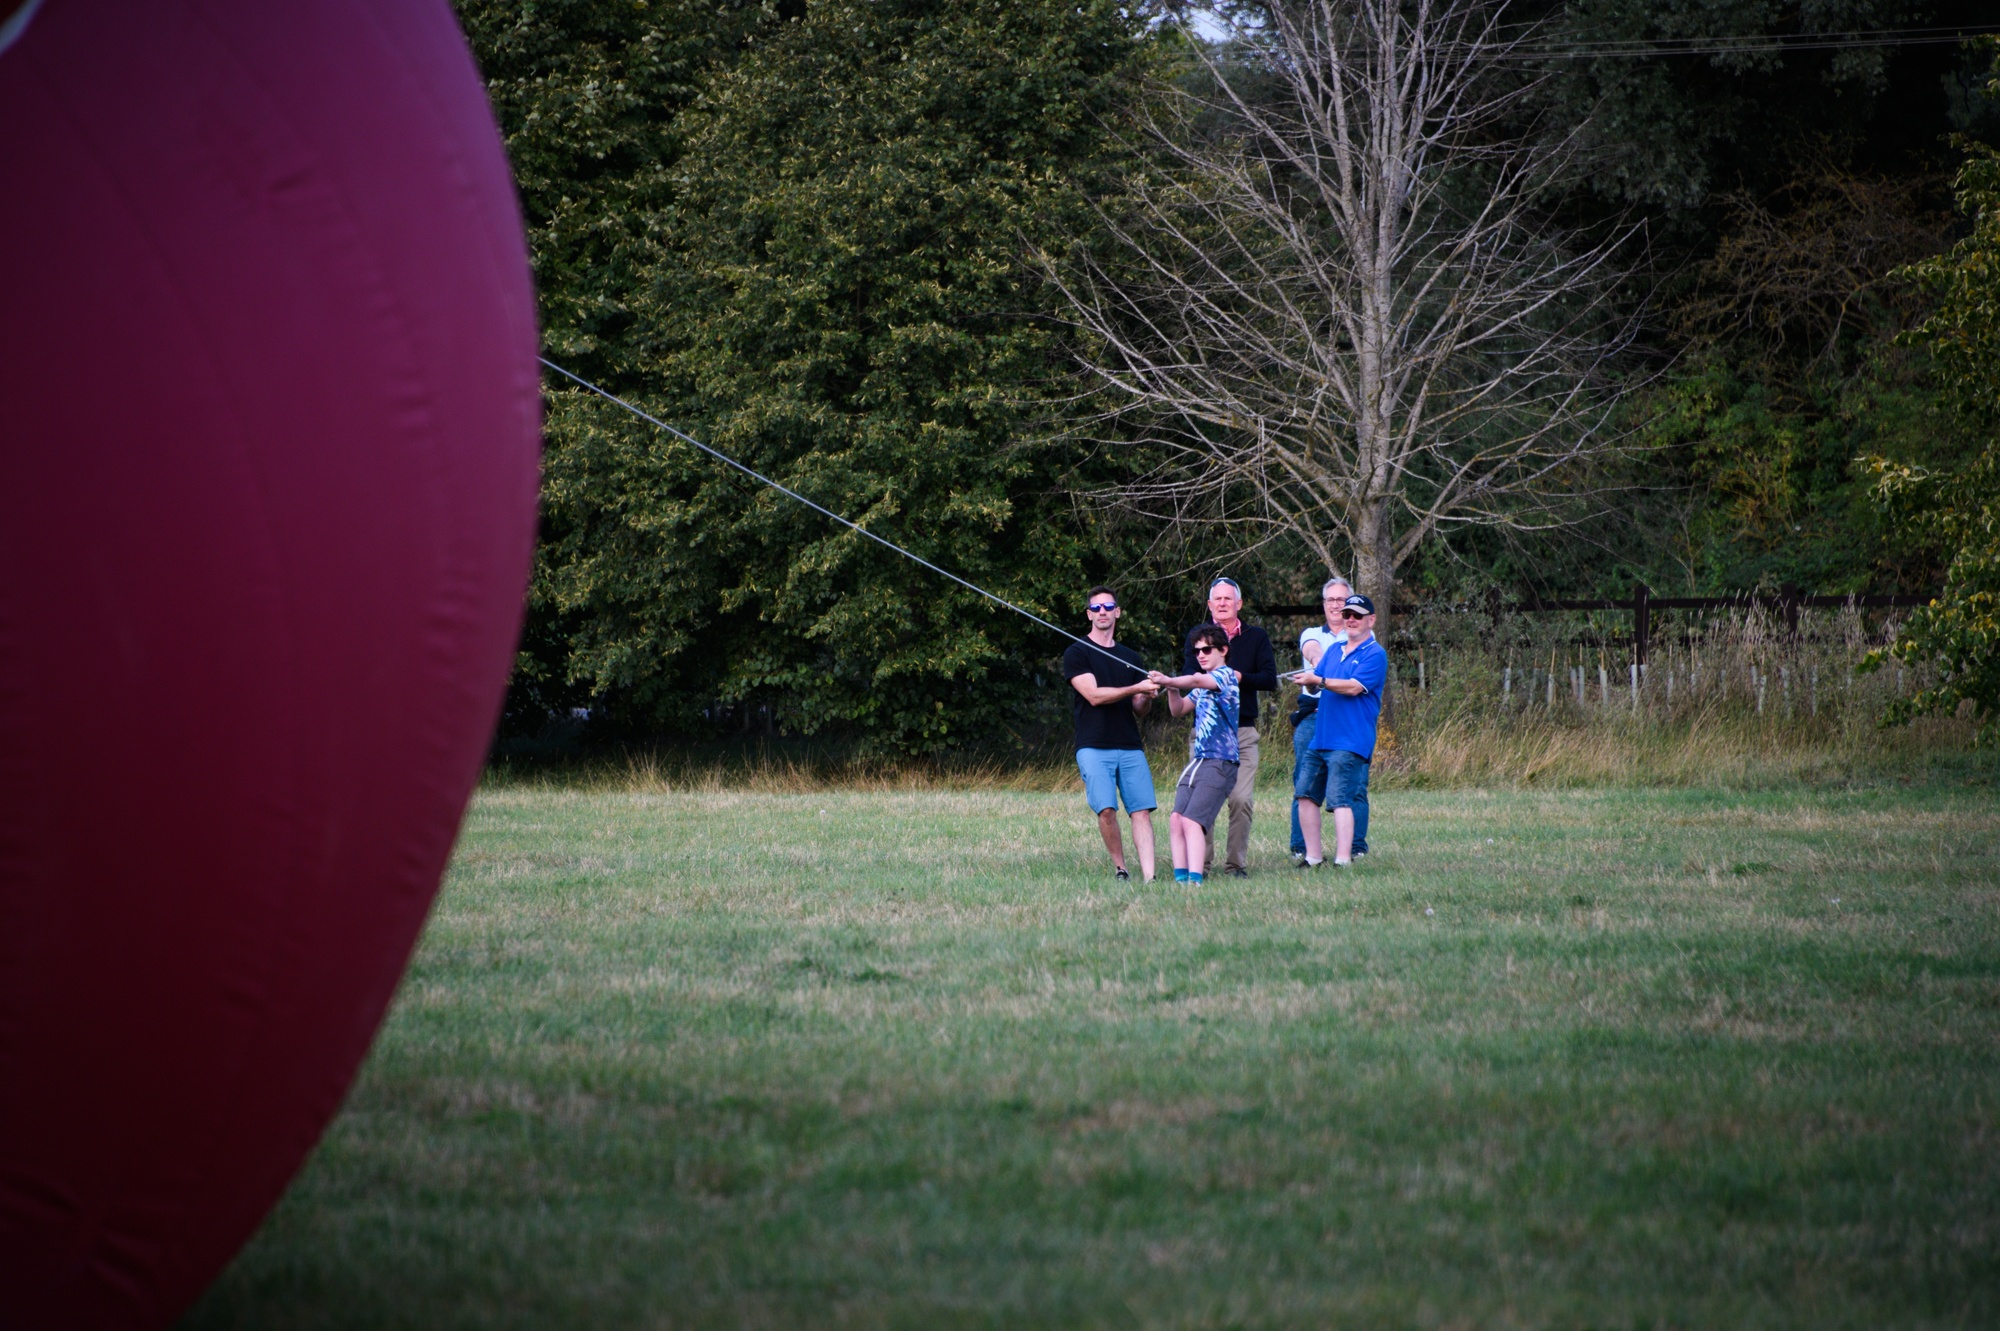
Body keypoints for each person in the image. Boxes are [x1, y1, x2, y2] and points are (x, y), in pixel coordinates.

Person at [1179, 577, 1278, 877]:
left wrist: (1238, 677)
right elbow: (1190, 676)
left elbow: (1269, 679)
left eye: (1228, 598)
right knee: (1200, 803)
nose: (1222, 603)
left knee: (1240, 799)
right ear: (1210, 605)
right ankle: (1201, 865)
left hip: (1242, 733)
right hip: (1206, 735)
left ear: (1239, 604)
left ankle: (1236, 865)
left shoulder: (1256, 637)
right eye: (1217, 599)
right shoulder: (1198, 638)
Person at [1063, 586, 1160, 882]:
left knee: (1141, 811)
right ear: (1089, 614)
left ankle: (1150, 877)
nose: (1102, 612)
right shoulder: (1077, 652)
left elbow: (1139, 709)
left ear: (1117, 612)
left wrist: (1148, 694)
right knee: (1106, 810)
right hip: (1093, 745)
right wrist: (1136, 687)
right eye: (1096, 608)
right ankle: (1122, 868)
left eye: (1108, 607)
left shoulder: (1130, 657)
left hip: (1130, 744)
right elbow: (1093, 696)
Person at [1290, 593, 1387, 867]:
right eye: (1347, 615)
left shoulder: (1375, 654)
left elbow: (1354, 687)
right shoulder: (1334, 650)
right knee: (1305, 794)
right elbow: (1316, 685)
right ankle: (1312, 858)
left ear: (1371, 620)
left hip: (1350, 739)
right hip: (1321, 737)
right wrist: (1308, 682)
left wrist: (1319, 680)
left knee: (1340, 799)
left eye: (1357, 615)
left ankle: (1343, 860)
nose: (1351, 620)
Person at [1148, 624, 1239, 885]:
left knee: (1191, 821)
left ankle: (1195, 882)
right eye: (1197, 651)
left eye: (1206, 649)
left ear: (1223, 650)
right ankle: (1181, 880)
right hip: (1199, 760)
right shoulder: (1201, 688)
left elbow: (1197, 679)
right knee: (1176, 819)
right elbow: (1178, 710)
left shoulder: (1225, 676)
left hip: (1220, 762)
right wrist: (1171, 689)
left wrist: (1168, 680)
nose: (1200, 655)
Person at [1289, 576, 1352, 863]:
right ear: (1324, 604)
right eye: (1330, 600)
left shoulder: (1362, 637)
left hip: (1346, 718)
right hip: (1313, 716)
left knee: (1350, 785)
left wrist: (1322, 676)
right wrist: (1320, 666)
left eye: (1341, 600)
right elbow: (1312, 650)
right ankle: (1302, 848)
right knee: (1304, 783)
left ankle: (1354, 849)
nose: (1336, 605)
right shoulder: (1312, 633)